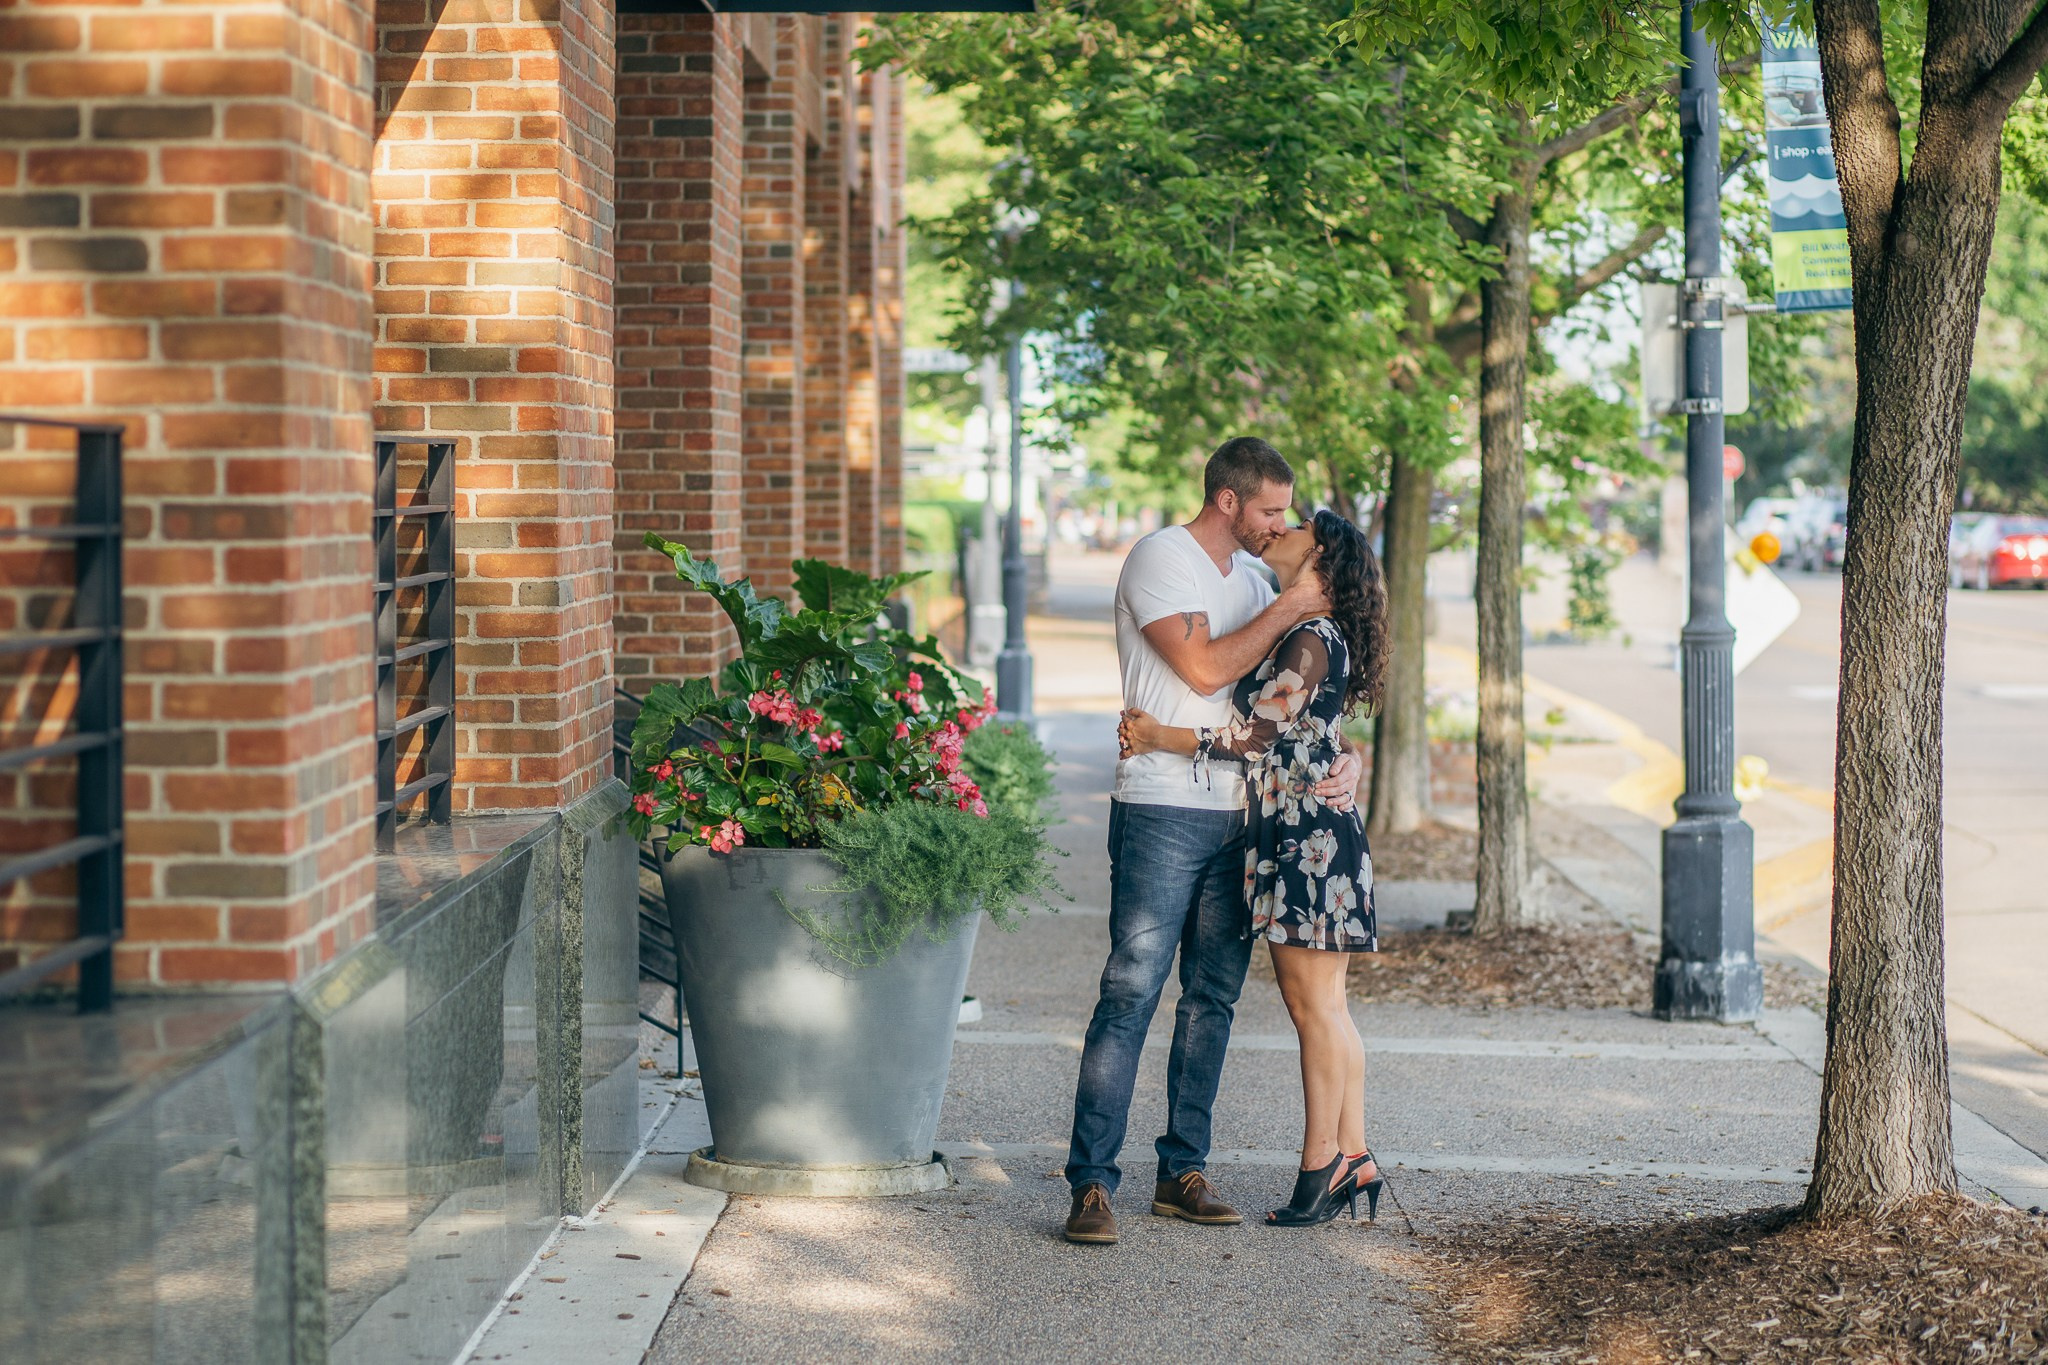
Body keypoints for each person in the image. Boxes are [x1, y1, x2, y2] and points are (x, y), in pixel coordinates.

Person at [1062, 437, 1363, 1246]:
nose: (1281, 524)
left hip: (1248, 815)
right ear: (1229, 501)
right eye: (1271, 509)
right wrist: (1293, 607)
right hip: (1162, 806)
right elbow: (1201, 670)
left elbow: (1296, 701)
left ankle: (1181, 1169)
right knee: (1131, 989)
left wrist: (1348, 755)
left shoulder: (1262, 580)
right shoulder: (1161, 558)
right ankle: (1091, 1181)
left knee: (1212, 1001)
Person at [1121, 508, 1389, 1227]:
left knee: (1313, 1012)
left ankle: (1321, 1164)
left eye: (1299, 523)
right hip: (1315, 836)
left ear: (1321, 557)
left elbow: (1252, 738)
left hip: (1307, 840)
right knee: (1329, 1010)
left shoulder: (1307, 637)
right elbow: (1309, 733)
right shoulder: (1312, 633)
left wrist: (1155, 734)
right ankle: (1355, 1153)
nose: (1283, 528)